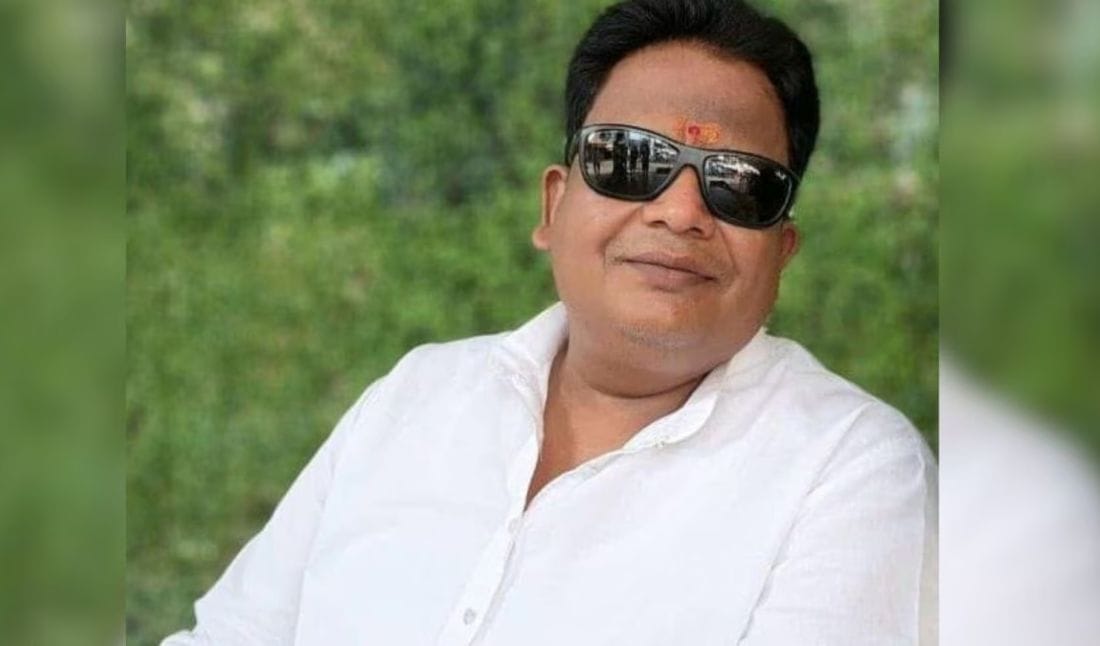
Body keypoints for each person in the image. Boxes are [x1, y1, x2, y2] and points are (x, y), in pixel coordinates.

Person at [163, 0, 936, 644]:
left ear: (781, 250)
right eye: (629, 160)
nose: (679, 211)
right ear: (553, 205)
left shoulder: (850, 471)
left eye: (739, 185)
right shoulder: (417, 394)